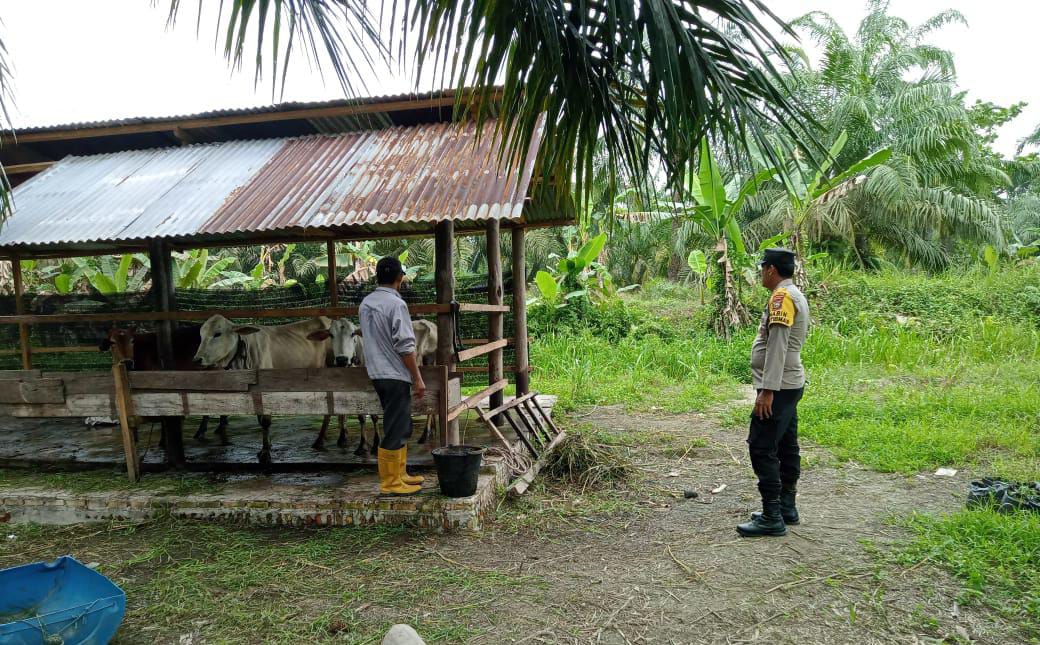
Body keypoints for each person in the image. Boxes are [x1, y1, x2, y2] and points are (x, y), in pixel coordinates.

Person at [737, 248, 809, 537]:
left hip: (779, 386)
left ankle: (771, 516)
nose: (760, 274)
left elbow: (777, 345)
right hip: (789, 383)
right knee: (786, 444)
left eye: (762, 269)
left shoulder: (782, 298)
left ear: (771, 269)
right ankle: (786, 508)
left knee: (761, 446)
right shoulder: (794, 294)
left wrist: (767, 390)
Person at [359, 256, 427, 495]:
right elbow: (405, 345)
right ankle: (390, 482)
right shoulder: (397, 304)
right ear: (400, 277)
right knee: (396, 427)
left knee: (400, 423)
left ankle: (400, 474)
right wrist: (417, 378)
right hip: (395, 373)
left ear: (378, 277)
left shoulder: (366, 303)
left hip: (376, 372)